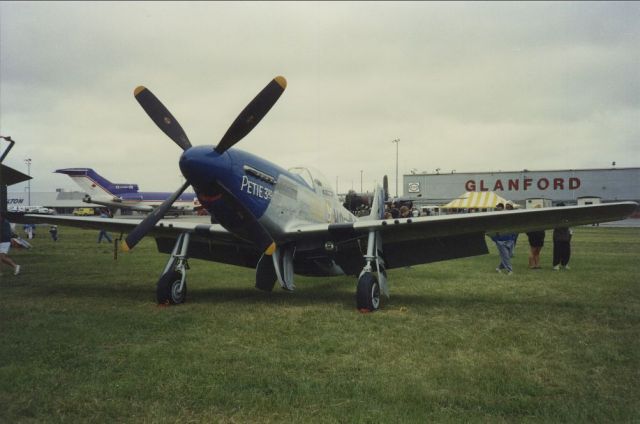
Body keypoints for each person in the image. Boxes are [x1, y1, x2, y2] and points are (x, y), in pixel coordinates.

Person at [489, 203, 516, 275]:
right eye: (498, 208)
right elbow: (490, 231)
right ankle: (510, 270)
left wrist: (513, 237)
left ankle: (499, 268)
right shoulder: (494, 220)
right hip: (500, 241)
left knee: (508, 255)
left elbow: (513, 228)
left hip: (510, 240)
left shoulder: (509, 218)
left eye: (500, 208)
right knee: (506, 256)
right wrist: (496, 239)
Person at [552, 202, 572, 270]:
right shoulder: (555, 216)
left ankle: (565, 264)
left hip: (566, 236)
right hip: (558, 236)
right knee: (557, 251)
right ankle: (556, 265)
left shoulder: (567, 215)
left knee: (567, 251)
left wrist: (570, 233)